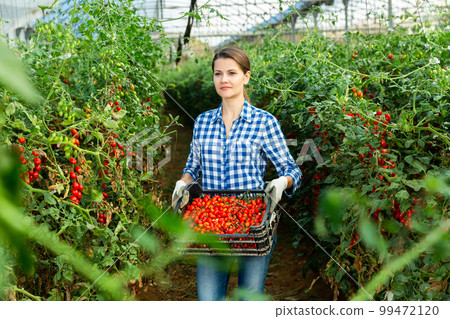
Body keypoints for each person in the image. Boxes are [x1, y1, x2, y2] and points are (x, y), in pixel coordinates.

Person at [172, 46, 302, 301]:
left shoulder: (264, 122)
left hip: (253, 224)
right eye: (218, 74)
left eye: (232, 73)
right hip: (212, 225)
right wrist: (182, 182)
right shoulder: (202, 122)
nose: (224, 80)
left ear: (246, 76)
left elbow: (292, 170)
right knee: (209, 301)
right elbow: (192, 167)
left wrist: (279, 183)